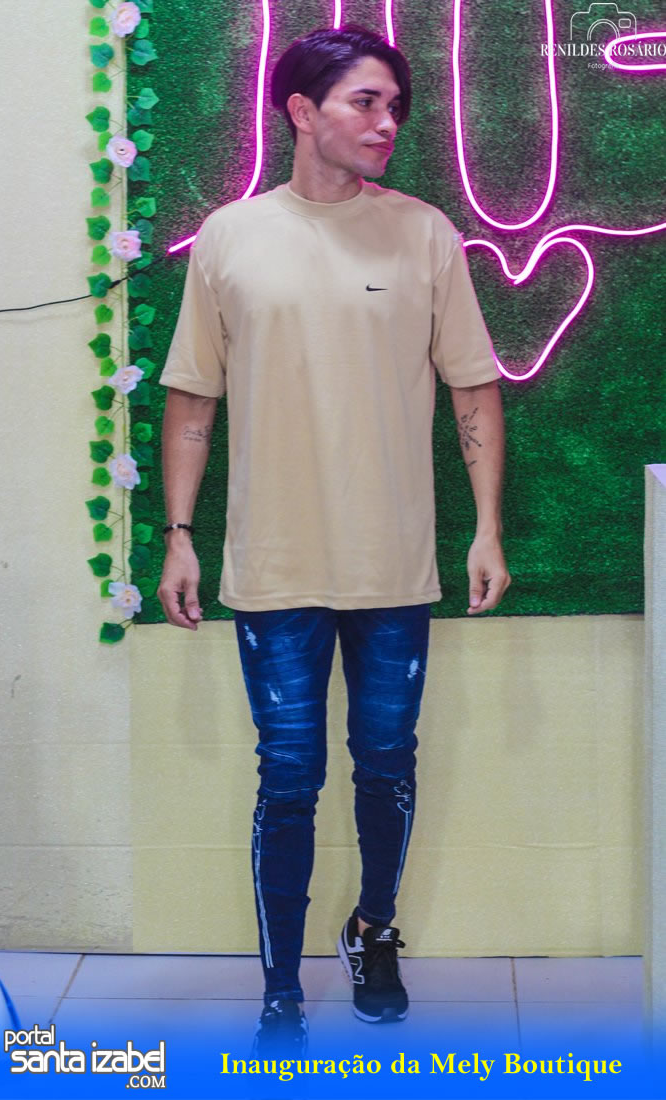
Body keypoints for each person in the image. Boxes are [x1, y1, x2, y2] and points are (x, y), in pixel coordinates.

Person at [158, 24, 510, 1053]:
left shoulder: (425, 234)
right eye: (365, 101)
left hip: (393, 564)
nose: (386, 121)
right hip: (271, 568)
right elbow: (191, 400)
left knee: (386, 762)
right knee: (288, 776)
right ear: (301, 110)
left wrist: (486, 528)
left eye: (394, 105)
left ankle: (373, 931)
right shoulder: (230, 236)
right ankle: (279, 984)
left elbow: (473, 389)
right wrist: (179, 535)